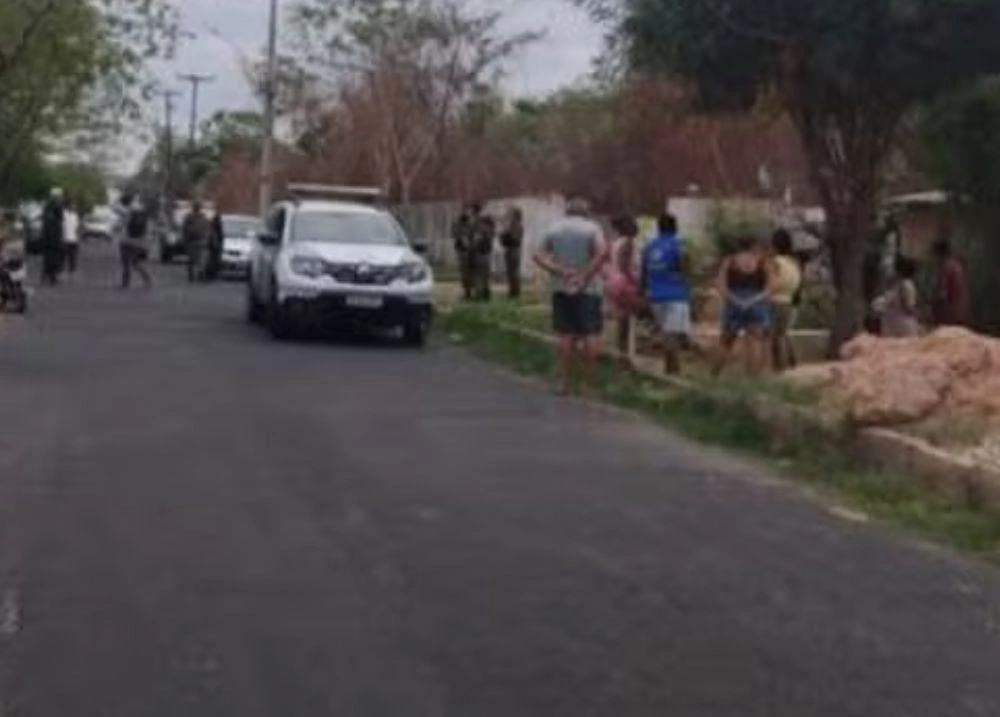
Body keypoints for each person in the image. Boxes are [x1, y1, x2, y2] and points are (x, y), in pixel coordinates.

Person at [533, 197, 608, 396]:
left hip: (561, 287)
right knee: (591, 334)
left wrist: (559, 270)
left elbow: (538, 255)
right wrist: (585, 275)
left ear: (567, 212)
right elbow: (602, 253)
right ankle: (588, 385)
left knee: (565, 334)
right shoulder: (592, 228)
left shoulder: (554, 229)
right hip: (589, 289)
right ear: (586, 212)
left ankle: (564, 383)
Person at [712, 235, 774, 376]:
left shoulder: (729, 261)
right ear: (753, 246)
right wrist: (754, 300)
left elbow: (720, 285)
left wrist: (734, 300)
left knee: (726, 341)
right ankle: (752, 379)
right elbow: (770, 286)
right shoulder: (762, 261)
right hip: (756, 302)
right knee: (754, 340)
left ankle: (714, 375)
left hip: (733, 301)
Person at [641, 213, 691, 375]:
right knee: (671, 334)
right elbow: (684, 267)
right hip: (676, 295)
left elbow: (644, 272)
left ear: (659, 228)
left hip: (656, 296)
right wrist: (685, 282)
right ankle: (673, 370)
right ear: (675, 227)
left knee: (666, 332)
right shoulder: (678, 245)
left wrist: (643, 292)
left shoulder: (650, 246)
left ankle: (670, 368)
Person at [606, 214, 642, 368]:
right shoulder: (628, 242)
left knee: (622, 322)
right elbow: (624, 264)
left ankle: (621, 355)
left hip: (615, 282)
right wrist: (636, 282)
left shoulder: (615, 243)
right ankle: (626, 358)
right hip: (626, 283)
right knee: (628, 322)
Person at [769, 229, 803, 371]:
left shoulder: (775, 262)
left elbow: (772, 283)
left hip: (774, 301)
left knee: (775, 337)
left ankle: (779, 366)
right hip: (788, 301)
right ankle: (787, 364)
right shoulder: (793, 263)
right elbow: (797, 283)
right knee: (782, 335)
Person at [873, 255, 921, 338]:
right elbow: (908, 306)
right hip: (903, 324)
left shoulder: (895, 285)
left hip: (889, 322)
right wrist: (918, 315)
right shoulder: (907, 285)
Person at [931, 239, 969, 327]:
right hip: (960, 308)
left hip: (950, 310)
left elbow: (943, 292)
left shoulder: (946, 267)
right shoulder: (956, 265)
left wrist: (934, 306)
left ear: (939, 254)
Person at [118, 193, 152, 290]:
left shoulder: (125, 211)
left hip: (125, 240)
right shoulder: (141, 211)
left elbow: (114, 207)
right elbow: (146, 227)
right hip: (138, 241)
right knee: (136, 262)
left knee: (125, 263)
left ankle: (125, 282)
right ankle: (146, 278)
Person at [40, 187, 65, 286]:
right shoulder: (57, 207)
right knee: (54, 259)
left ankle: (46, 275)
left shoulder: (46, 207)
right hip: (54, 239)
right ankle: (52, 277)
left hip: (47, 238)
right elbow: (61, 219)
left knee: (47, 258)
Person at [451, 204, 477, 301]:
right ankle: (467, 292)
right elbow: (454, 234)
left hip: (470, 251)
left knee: (469, 272)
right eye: (465, 210)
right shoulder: (458, 223)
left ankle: (470, 293)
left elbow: (473, 235)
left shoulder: (471, 223)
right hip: (462, 250)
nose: (466, 213)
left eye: (468, 211)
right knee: (465, 272)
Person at [499, 207, 524, 299]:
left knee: (514, 272)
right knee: (510, 271)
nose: (510, 216)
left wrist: (505, 234)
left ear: (515, 216)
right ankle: (512, 290)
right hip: (509, 249)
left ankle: (515, 292)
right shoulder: (511, 226)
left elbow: (514, 238)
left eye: (511, 215)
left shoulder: (517, 226)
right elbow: (503, 238)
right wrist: (504, 235)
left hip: (514, 250)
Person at [182, 202, 211, 282]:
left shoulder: (201, 217)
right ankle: (194, 273)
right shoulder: (190, 217)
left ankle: (198, 273)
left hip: (198, 241)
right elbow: (185, 229)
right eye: (197, 207)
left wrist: (206, 238)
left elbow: (207, 229)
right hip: (193, 241)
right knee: (193, 259)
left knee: (198, 259)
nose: (197, 209)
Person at [471, 210, 496, 301]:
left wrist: (474, 247)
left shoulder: (481, 230)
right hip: (488, 254)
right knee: (486, 276)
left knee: (478, 276)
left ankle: (478, 294)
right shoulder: (491, 230)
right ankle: (486, 293)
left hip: (480, 253)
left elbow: (476, 241)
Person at [63, 204, 81, 275]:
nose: (74, 209)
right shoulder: (66, 215)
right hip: (68, 239)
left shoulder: (74, 216)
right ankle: (69, 269)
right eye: (73, 208)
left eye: (74, 208)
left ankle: (71, 269)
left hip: (71, 239)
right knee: (68, 256)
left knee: (71, 256)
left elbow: (77, 228)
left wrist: (78, 237)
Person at [207, 209, 225, 281]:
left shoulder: (212, 225)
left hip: (212, 245)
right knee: (214, 260)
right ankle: (212, 273)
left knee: (213, 260)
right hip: (214, 244)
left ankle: (211, 273)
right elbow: (220, 235)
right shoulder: (216, 225)